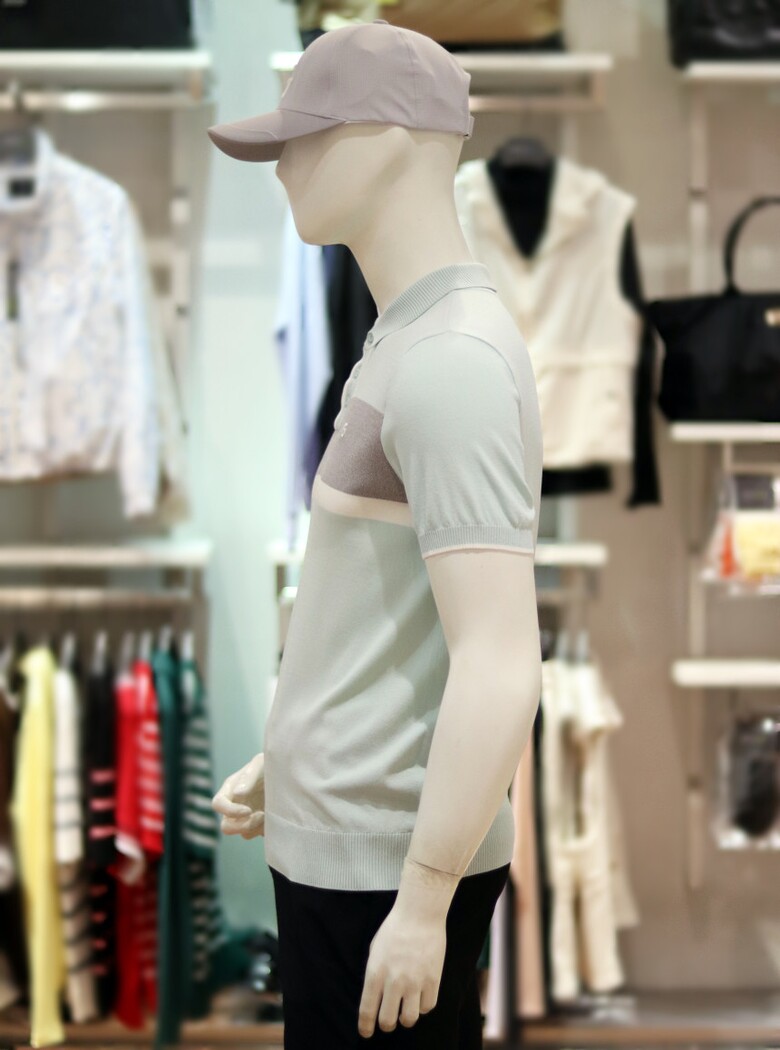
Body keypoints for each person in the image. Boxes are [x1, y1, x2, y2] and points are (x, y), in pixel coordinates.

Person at [208, 19, 543, 1049]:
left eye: (303, 137)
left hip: (384, 869)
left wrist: (424, 900)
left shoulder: (451, 361)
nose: (284, 167)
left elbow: (500, 660)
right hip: (347, 844)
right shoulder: (407, 337)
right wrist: (294, 749)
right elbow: (379, 604)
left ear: (393, 139)